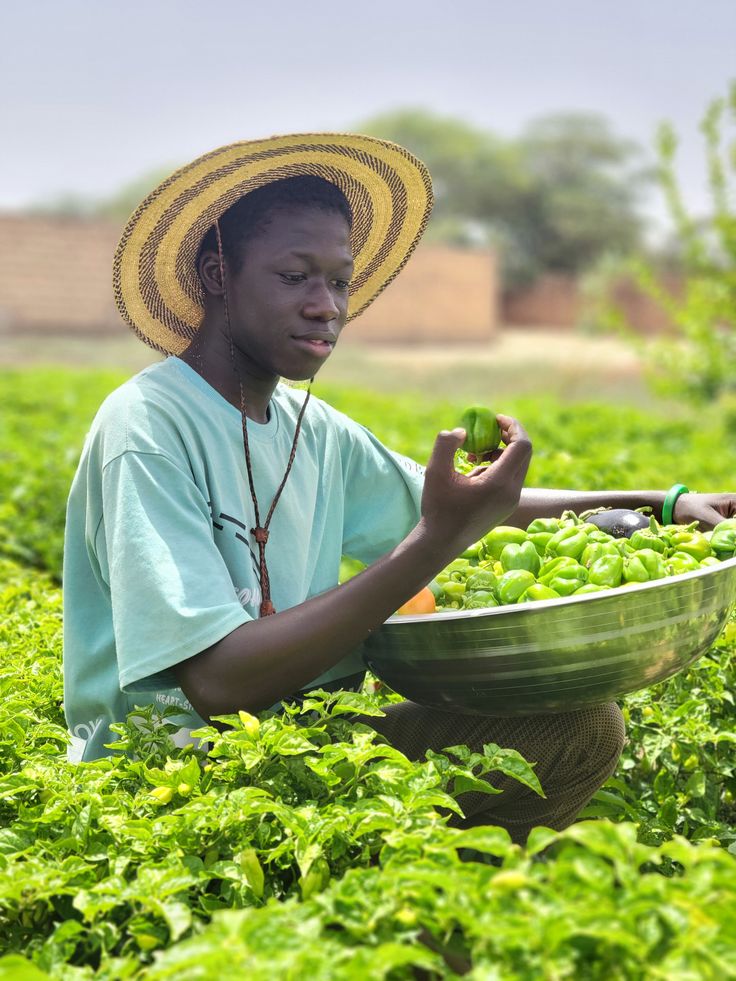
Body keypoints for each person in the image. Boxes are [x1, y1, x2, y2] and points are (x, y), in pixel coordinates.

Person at [63, 133, 735, 845]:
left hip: (304, 742)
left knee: (578, 727)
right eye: (295, 277)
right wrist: (434, 542)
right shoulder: (149, 427)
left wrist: (658, 505)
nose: (326, 306)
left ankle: (427, 928)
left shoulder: (308, 427)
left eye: (339, 281)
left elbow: (466, 506)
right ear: (217, 274)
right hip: (180, 779)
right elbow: (219, 683)